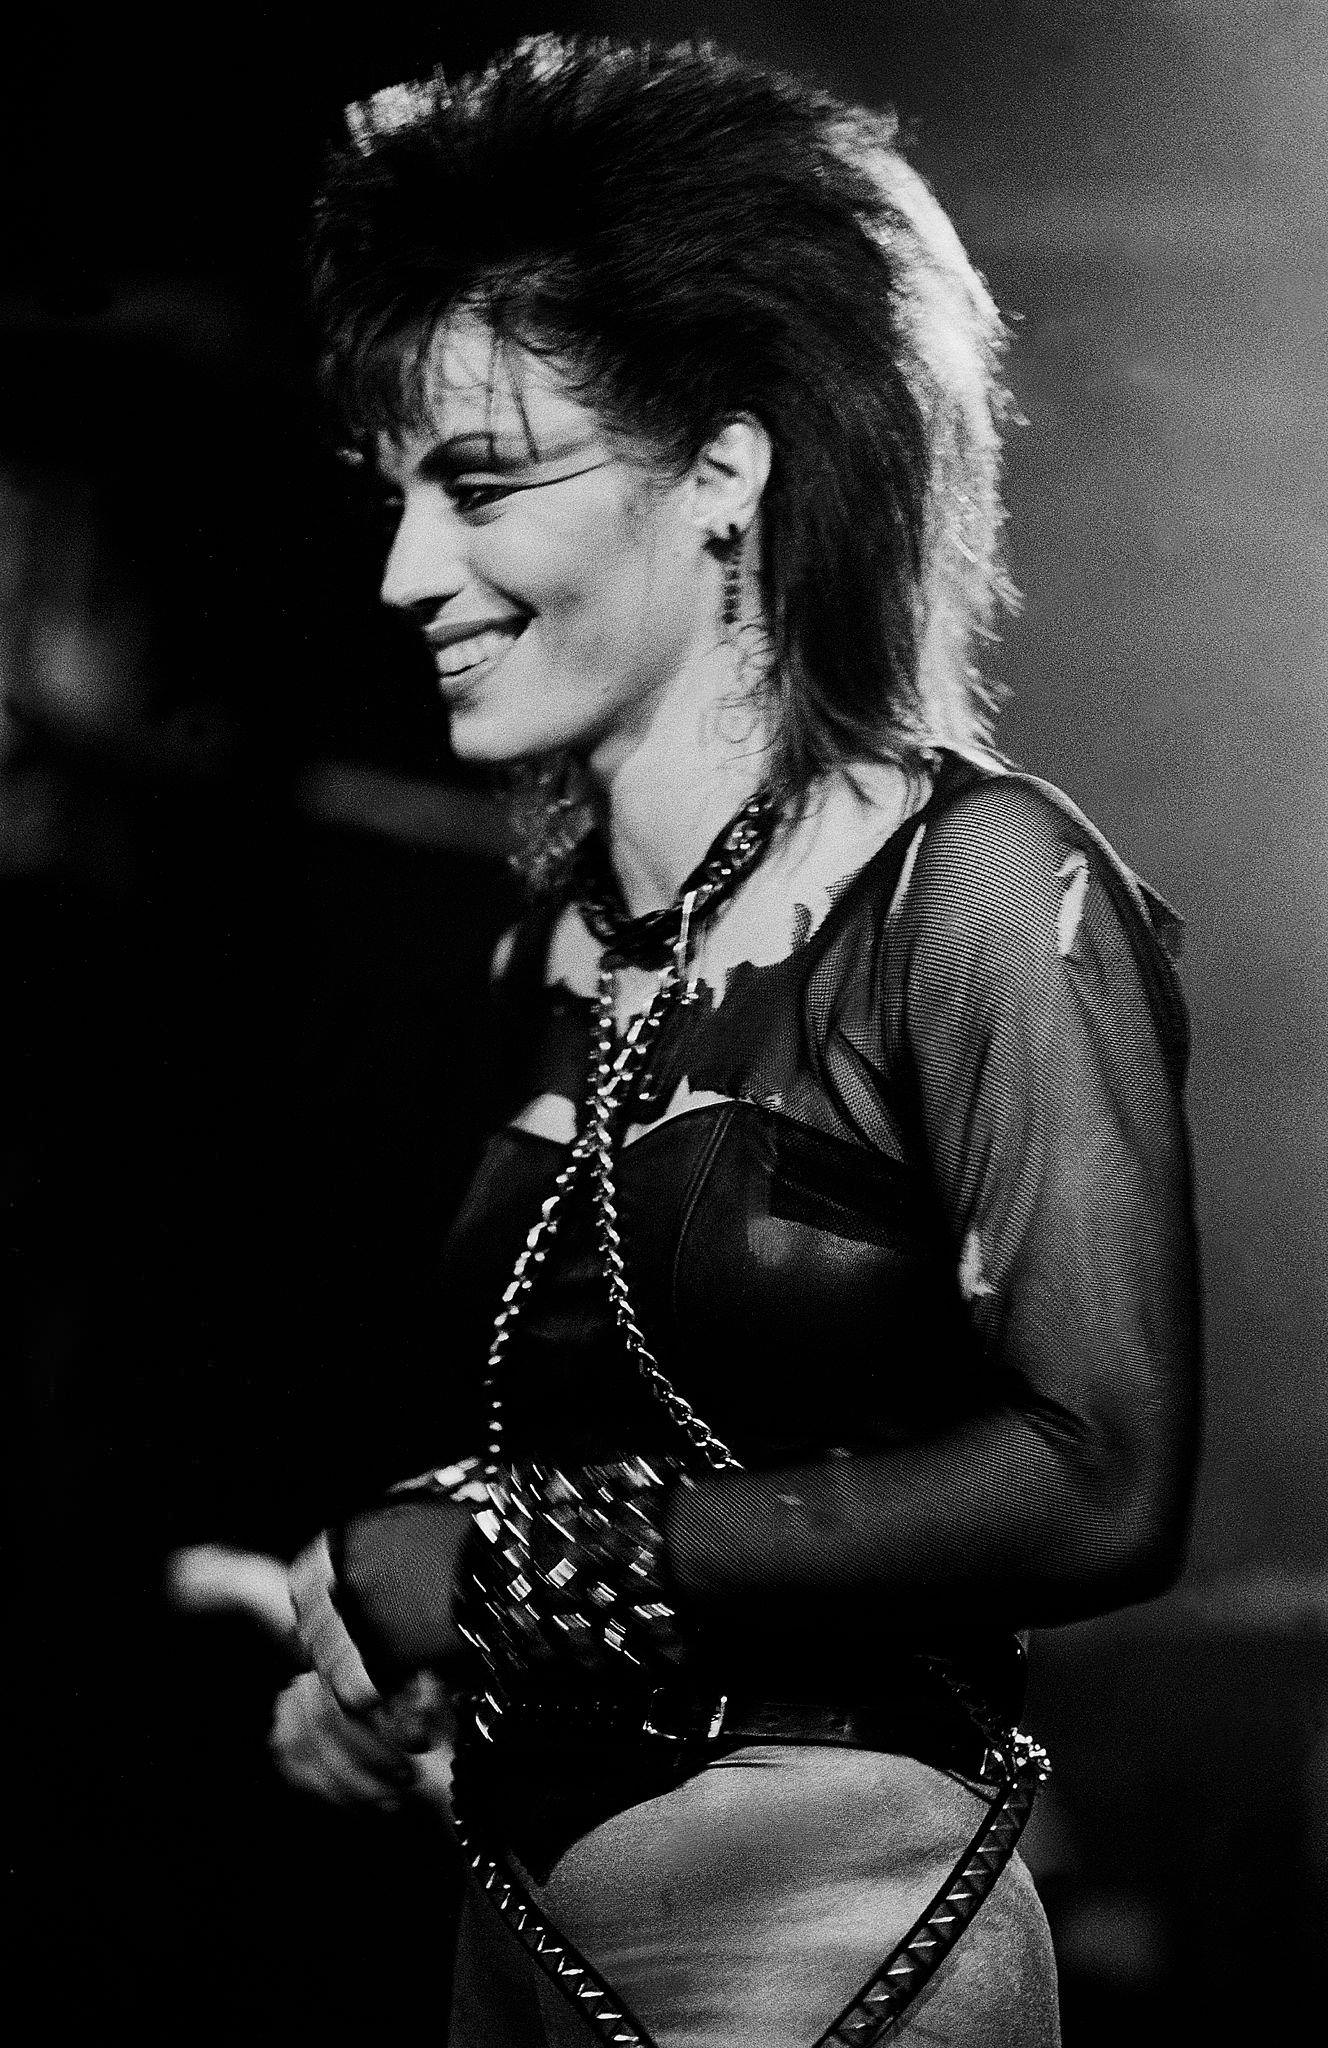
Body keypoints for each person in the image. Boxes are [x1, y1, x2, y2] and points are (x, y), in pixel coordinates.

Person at [268, 33, 1201, 2047]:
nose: (404, 570)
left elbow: (1103, 1472)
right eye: (399, 493)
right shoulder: (562, 933)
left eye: (482, 483)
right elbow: (614, 1447)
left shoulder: (981, 882)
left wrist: (522, 1555)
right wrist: (373, 1624)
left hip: (840, 1956)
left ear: (724, 466)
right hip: (514, 1947)